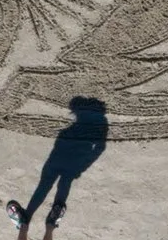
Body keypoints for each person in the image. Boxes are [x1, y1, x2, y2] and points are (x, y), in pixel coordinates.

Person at [23, 96, 109, 225]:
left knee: (47, 184)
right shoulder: (101, 121)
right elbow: (99, 147)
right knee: (61, 183)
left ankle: (29, 216)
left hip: (63, 156)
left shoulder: (98, 121)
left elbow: (100, 147)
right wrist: (83, 165)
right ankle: (50, 216)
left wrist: (83, 165)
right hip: (69, 158)